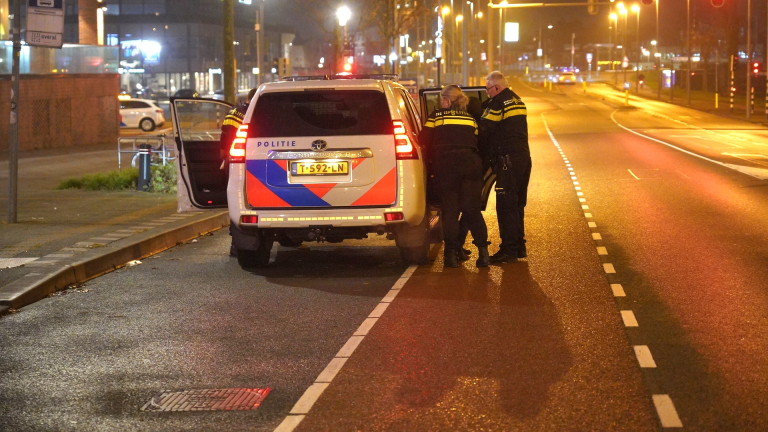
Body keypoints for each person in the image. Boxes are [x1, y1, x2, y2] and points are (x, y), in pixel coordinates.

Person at [420, 85, 491, 268]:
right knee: (472, 210)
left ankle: (450, 256)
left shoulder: (436, 117)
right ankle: (483, 255)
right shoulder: (470, 119)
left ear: (445, 100)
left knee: (450, 211)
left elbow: (422, 139)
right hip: (471, 164)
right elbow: (480, 142)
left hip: (447, 164)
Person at [479, 71, 532, 264]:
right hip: (523, 159)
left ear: (497, 87)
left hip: (507, 161)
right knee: (518, 205)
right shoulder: (517, 100)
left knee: (505, 206)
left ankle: (508, 250)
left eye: (487, 89)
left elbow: (484, 130)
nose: (487, 93)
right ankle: (519, 247)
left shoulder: (498, 103)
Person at [220, 88, 257, 257]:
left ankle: (236, 245)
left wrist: (224, 155)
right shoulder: (254, 112)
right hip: (249, 161)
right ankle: (236, 244)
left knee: (238, 201)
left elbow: (225, 134)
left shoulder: (235, 112)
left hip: (237, 161)